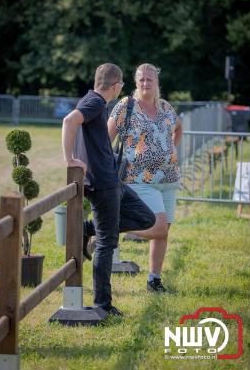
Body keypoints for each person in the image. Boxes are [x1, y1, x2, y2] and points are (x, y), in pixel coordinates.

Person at [62, 63, 165, 316]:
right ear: (117, 85)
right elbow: (69, 120)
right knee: (108, 243)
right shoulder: (95, 102)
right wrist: (69, 159)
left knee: (145, 217)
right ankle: (103, 305)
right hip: (102, 185)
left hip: (113, 181)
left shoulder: (92, 99)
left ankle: (88, 228)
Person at [108, 63, 183, 293]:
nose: (145, 83)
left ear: (157, 82)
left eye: (149, 79)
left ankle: (154, 280)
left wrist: (173, 150)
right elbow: (105, 138)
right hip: (139, 178)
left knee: (163, 232)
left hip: (169, 179)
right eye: (141, 79)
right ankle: (109, 228)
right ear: (135, 82)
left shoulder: (165, 107)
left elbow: (178, 127)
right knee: (158, 228)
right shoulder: (126, 107)